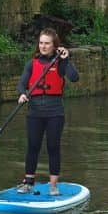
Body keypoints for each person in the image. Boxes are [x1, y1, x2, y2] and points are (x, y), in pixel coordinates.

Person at [16, 28, 79, 196]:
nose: (43, 46)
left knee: (53, 146)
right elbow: (22, 84)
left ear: (54, 46)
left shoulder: (60, 62)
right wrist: (22, 94)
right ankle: (28, 182)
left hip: (55, 111)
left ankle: (53, 185)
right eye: (41, 43)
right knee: (33, 146)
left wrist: (67, 59)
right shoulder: (32, 63)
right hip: (34, 111)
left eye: (47, 43)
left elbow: (74, 77)